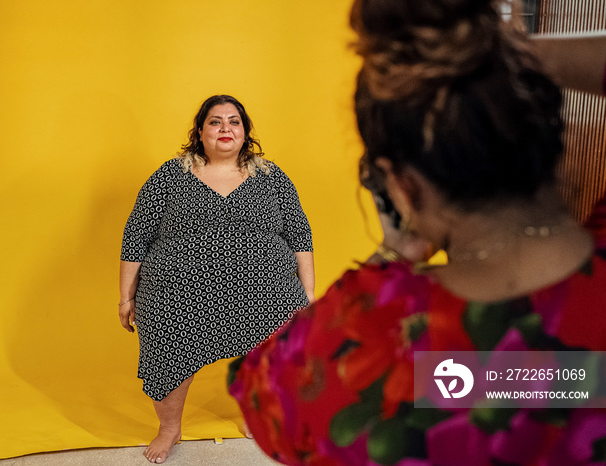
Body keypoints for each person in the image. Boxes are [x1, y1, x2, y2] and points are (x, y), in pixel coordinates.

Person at [229, 1, 606, 465]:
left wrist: (397, 247)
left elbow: (258, 396)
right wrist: (499, 62)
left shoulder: (364, 345)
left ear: (403, 187)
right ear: (557, 136)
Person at [119, 94, 315, 463]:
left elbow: (299, 234)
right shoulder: (170, 175)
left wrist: (307, 292)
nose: (225, 128)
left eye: (234, 121)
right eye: (215, 121)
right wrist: (125, 297)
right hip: (175, 292)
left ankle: (252, 415)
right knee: (168, 356)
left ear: (245, 132)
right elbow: (136, 235)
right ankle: (169, 428)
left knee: (272, 359)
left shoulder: (271, 177)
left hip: (265, 291)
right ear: (200, 131)